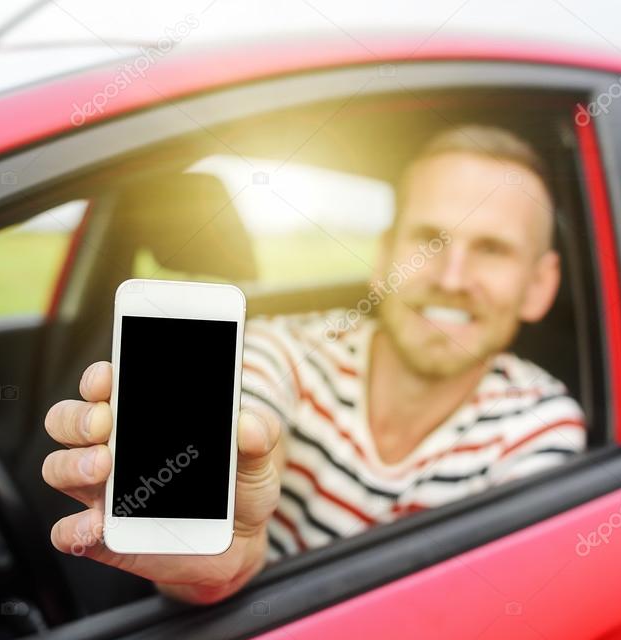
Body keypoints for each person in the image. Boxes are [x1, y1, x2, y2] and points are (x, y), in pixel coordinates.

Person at [41, 125, 586, 605]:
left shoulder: (538, 428)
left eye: (491, 249)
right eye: (429, 240)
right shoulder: (287, 350)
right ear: (383, 258)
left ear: (539, 286)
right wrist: (211, 557)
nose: (451, 276)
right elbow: (248, 405)